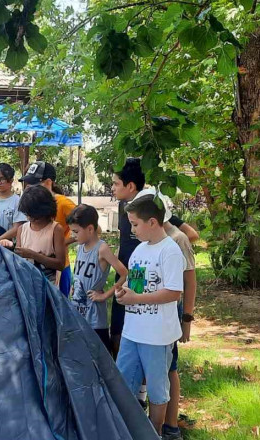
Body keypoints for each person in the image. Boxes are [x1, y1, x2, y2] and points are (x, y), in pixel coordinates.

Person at [111, 159, 199, 359]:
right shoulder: (127, 214)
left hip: (159, 316)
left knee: (163, 368)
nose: (134, 229)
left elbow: (183, 282)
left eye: (116, 183)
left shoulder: (167, 233)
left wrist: (186, 318)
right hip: (134, 303)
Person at [114, 194, 184, 436]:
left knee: (157, 391)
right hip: (132, 332)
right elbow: (136, 285)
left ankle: (153, 432)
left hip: (157, 337)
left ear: (152, 222)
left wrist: (136, 298)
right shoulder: (140, 250)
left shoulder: (170, 251)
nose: (132, 230)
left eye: (135, 224)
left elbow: (174, 293)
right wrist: (124, 293)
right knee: (124, 383)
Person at [66, 204, 128, 349]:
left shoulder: (102, 248)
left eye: (76, 231)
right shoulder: (80, 246)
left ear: (90, 229)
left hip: (95, 317)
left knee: (99, 356)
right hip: (78, 311)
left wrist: (105, 295)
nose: (73, 236)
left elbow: (124, 273)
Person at [18, 161, 75, 296]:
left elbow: (88, 225)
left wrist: (62, 242)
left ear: (48, 182)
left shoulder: (63, 203)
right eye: (28, 183)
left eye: (34, 183)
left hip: (55, 275)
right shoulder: (29, 205)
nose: (30, 187)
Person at [0, 185, 65, 284]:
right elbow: (18, 260)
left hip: (48, 287)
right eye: (27, 214)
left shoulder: (55, 230)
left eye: (33, 215)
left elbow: (60, 264)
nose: (29, 218)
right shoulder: (22, 229)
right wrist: (10, 248)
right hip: (26, 285)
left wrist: (33, 255)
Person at [0, 163, 27, 240]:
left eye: (2, 179)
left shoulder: (18, 201)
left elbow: (17, 228)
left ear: (11, 181)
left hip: (10, 247)